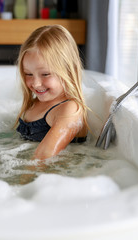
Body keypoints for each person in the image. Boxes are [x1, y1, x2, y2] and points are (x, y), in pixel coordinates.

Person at [15, 24, 89, 160]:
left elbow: (42, 157)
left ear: (68, 69)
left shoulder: (69, 109)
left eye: (45, 74)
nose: (36, 83)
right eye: (28, 74)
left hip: (55, 176)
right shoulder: (36, 102)